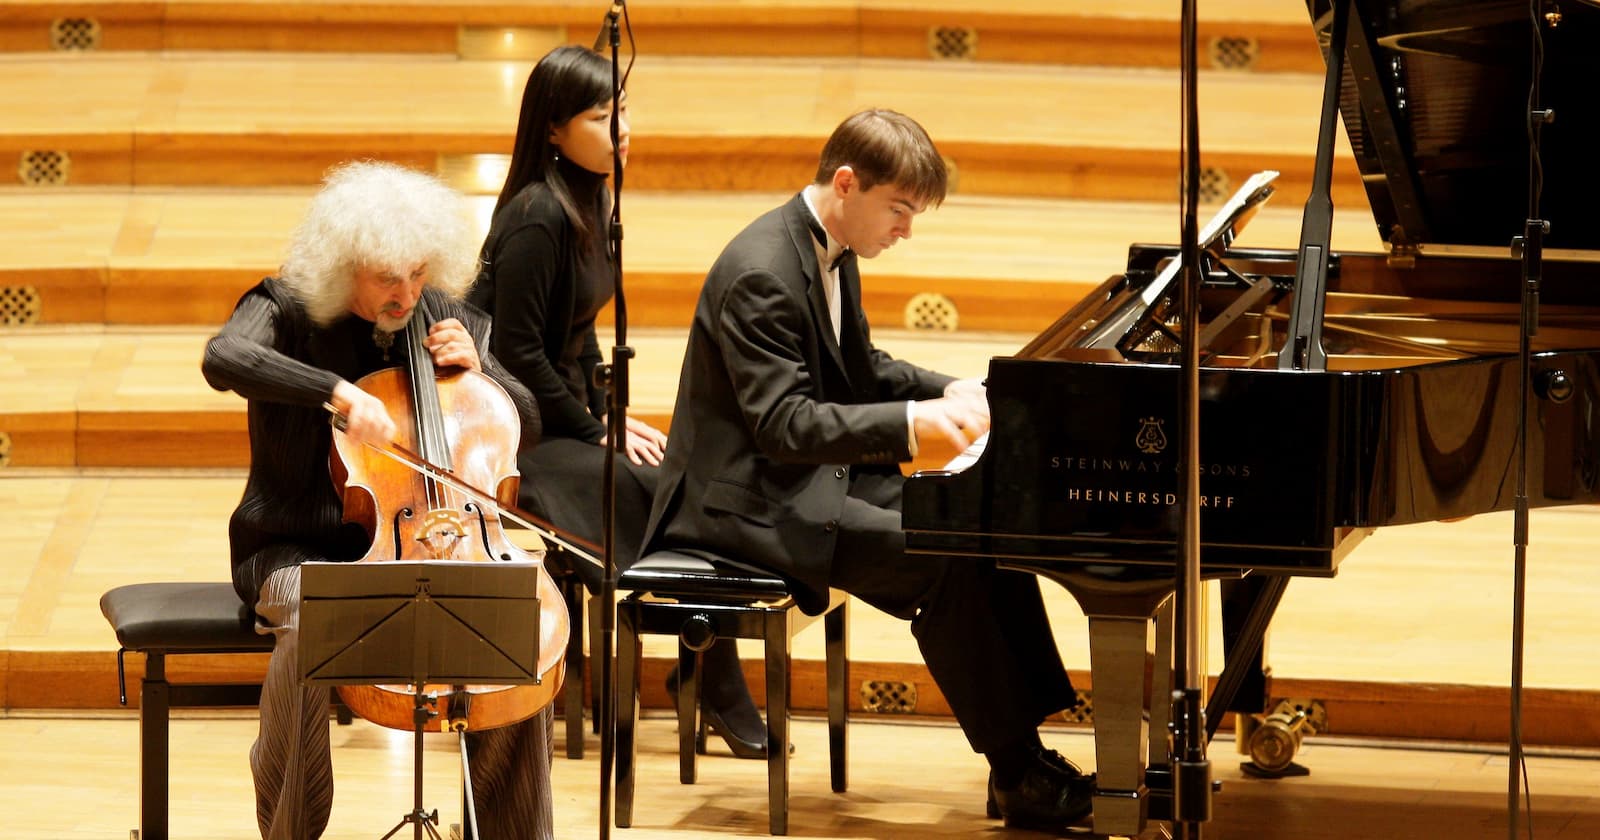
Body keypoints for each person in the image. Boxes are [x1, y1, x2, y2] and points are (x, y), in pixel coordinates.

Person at [641, 109, 1094, 829]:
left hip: (796, 477)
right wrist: (914, 427)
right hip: (740, 501)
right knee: (940, 561)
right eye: (901, 211)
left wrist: (950, 387)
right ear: (847, 184)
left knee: (974, 523)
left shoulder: (832, 248)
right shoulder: (761, 270)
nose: (906, 230)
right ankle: (1017, 773)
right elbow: (784, 424)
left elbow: (862, 370)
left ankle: (1024, 757)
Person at [202, 160, 556, 839]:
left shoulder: (447, 318)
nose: (407, 294)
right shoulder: (284, 308)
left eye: (419, 273)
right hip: (292, 544)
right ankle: (289, 831)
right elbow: (224, 359)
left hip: (436, 540)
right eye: (387, 278)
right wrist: (334, 392)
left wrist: (487, 376)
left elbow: (529, 427)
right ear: (344, 266)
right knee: (315, 620)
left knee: (519, 628)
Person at [467, 44, 770, 758]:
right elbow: (515, 357)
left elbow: (580, 334)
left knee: (685, 475)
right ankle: (711, 672)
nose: (621, 128)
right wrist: (590, 428)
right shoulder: (540, 216)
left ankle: (704, 661)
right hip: (517, 428)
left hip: (564, 414)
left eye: (623, 111)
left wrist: (608, 415)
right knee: (657, 491)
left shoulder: (591, 197)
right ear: (552, 129)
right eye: (602, 116)